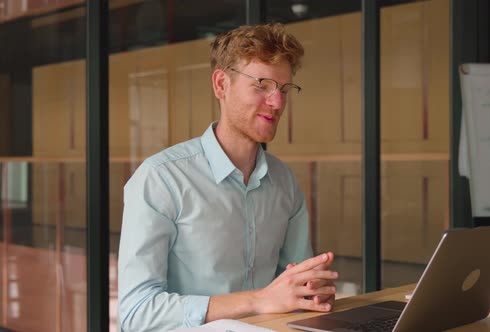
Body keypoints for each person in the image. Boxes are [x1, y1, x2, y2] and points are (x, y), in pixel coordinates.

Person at [117, 23, 339, 331]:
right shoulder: (160, 179)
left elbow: (294, 287)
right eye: (262, 85)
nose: (276, 103)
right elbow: (136, 313)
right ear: (222, 85)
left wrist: (311, 291)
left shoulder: (284, 182)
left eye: (284, 89)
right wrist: (257, 300)